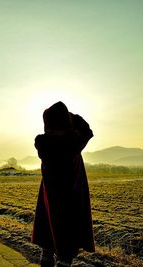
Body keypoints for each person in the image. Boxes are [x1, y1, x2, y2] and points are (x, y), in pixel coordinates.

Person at [31, 101, 95, 267]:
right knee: (67, 239)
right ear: (65, 122)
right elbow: (87, 130)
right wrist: (73, 117)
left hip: (49, 196)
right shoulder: (73, 142)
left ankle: (46, 257)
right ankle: (63, 261)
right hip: (71, 198)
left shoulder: (43, 143)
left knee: (48, 233)